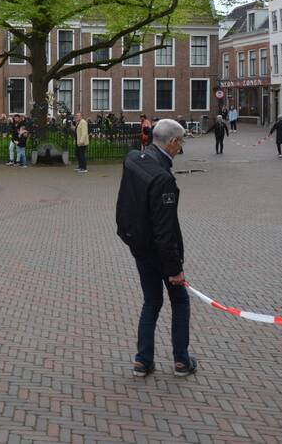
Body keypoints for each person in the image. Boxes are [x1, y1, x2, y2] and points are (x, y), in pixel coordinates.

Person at [115, 118, 195, 378]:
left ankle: (142, 360)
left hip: (140, 248)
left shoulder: (133, 160)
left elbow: (124, 206)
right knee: (180, 301)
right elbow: (165, 229)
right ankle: (182, 361)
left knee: (151, 302)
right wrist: (175, 269)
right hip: (159, 253)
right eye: (180, 142)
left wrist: (130, 240)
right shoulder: (163, 179)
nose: (180, 148)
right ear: (171, 142)